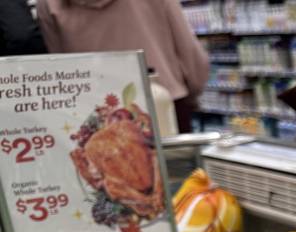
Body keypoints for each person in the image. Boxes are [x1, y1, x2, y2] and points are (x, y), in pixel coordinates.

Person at [37, 0, 208, 133]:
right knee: (178, 173)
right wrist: (192, 93)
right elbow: (189, 53)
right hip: (163, 102)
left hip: (97, 115)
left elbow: (60, 67)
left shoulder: (49, 4)